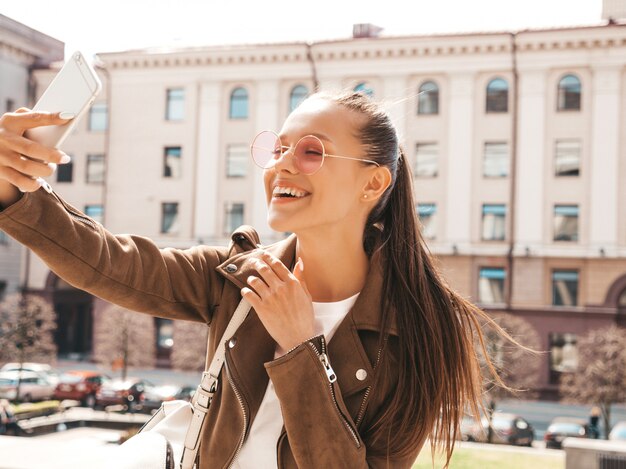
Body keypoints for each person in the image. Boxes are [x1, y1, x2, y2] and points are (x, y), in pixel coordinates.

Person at [0, 91, 521, 468]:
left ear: (373, 182)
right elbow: (111, 262)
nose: (282, 167)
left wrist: (301, 349)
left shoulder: (423, 328)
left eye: (311, 151)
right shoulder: (237, 275)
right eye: (278, 149)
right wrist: (14, 190)